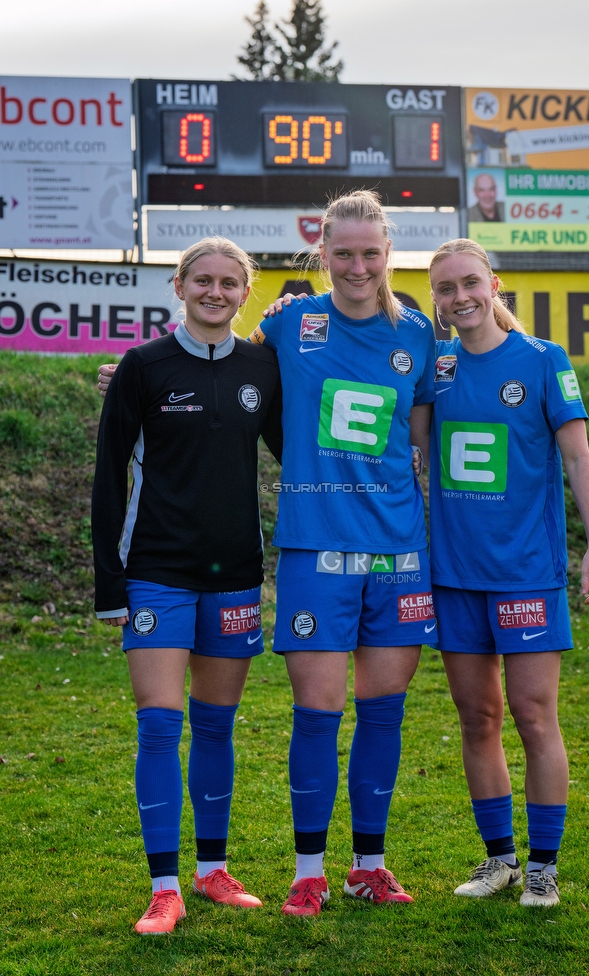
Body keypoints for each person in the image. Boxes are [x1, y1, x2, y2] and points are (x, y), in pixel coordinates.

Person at [251, 189, 437, 915]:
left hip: (399, 550)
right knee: (318, 712)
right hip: (315, 547)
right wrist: (132, 380)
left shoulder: (419, 334)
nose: (357, 266)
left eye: (370, 253)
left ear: (387, 254)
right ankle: (307, 871)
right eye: (343, 253)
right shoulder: (291, 322)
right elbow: (220, 372)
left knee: (384, 714)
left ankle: (369, 865)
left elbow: (423, 441)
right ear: (321, 253)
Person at [92, 237, 283, 934]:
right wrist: (109, 584)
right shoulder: (142, 367)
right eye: (202, 279)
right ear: (178, 285)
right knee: (158, 724)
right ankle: (164, 886)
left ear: (245, 291)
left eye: (230, 282)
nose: (215, 291)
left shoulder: (265, 365)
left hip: (234, 576)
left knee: (215, 725)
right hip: (155, 576)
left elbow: (298, 449)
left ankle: (212, 872)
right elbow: (109, 479)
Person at [426, 238, 589, 907]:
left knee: (534, 717)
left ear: (494, 284)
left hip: (526, 573)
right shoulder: (435, 367)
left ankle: (543, 867)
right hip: (453, 575)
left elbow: (579, 459)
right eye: (445, 289)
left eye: (469, 282)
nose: (460, 297)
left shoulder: (542, 361)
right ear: (436, 302)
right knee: (477, 717)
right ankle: (499, 860)